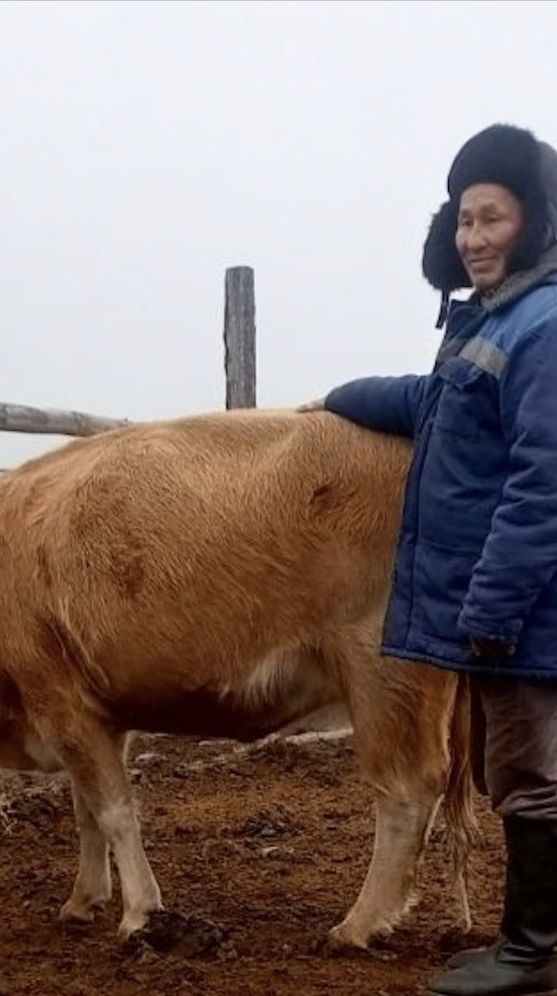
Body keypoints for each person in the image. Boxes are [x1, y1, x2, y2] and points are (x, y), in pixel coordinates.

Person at [300, 123, 557, 996]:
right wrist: (336, 400)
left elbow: (542, 485)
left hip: (525, 604)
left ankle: (530, 952)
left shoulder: (545, 325)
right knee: (514, 766)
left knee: (527, 771)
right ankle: (531, 940)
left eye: (494, 217)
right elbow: (431, 401)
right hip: (511, 601)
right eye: (464, 220)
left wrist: (489, 607)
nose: (476, 238)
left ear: (536, 218)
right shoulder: (492, 319)